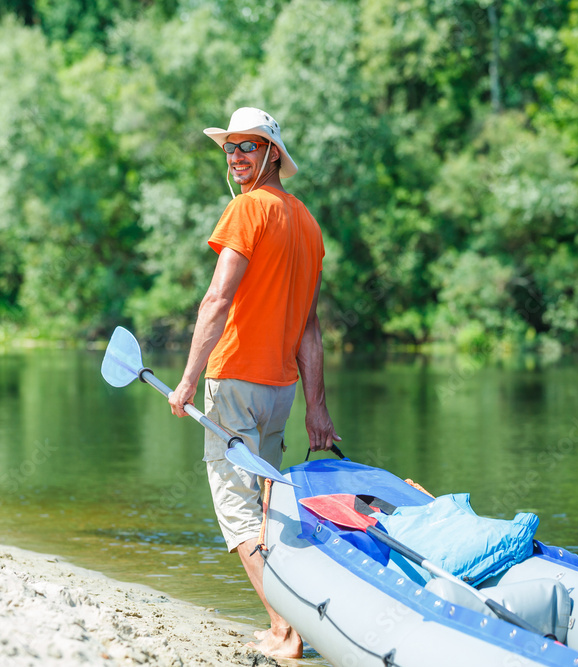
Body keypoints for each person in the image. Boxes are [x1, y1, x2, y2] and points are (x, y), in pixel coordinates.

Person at [167, 107, 340, 659]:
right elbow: (310, 327)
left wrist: (187, 381)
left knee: (240, 514)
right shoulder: (307, 222)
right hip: (279, 392)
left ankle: (286, 632)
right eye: (230, 147)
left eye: (248, 146)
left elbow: (217, 300)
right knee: (266, 509)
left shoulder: (247, 211)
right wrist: (315, 408)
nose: (237, 156)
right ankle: (295, 621)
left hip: (235, 380)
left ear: (271, 154)